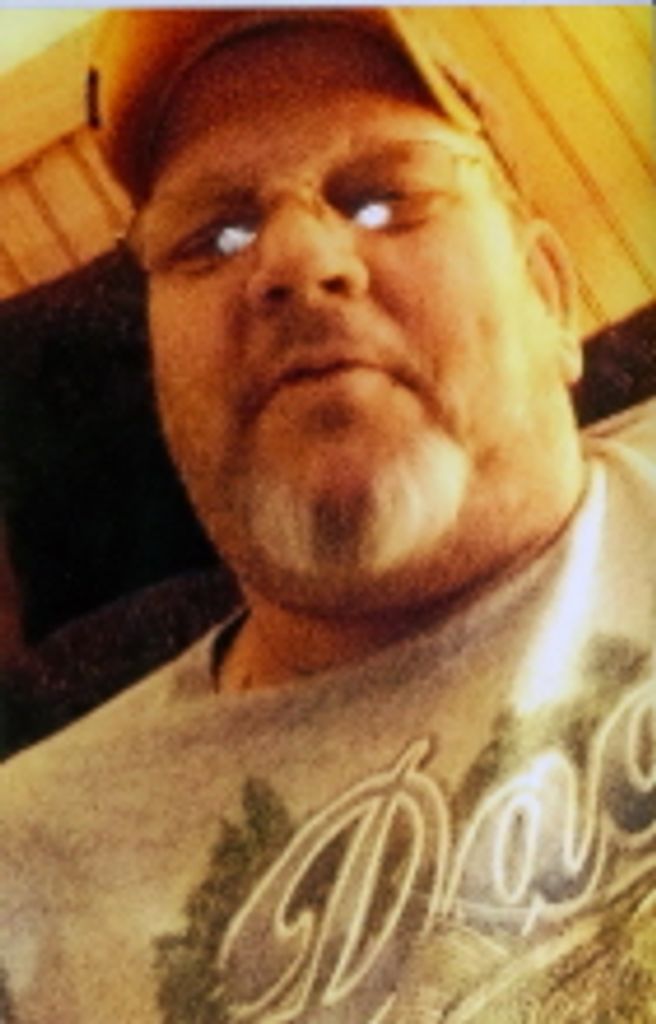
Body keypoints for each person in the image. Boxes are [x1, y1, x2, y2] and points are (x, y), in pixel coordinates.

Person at [1, 9, 654, 1022]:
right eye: (213, 236)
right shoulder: (25, 874)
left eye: (385, 198)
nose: (296, 260)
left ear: (548, 293)